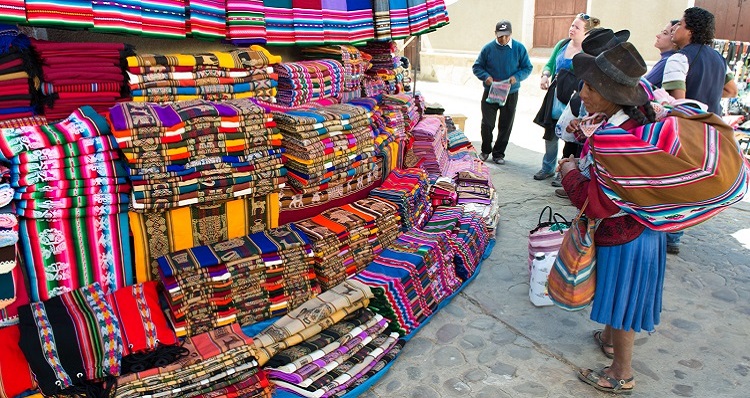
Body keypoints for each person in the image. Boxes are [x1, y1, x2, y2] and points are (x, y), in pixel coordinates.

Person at [557, 42, 664, 395]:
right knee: (624, 296)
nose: (582, 92)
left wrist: (570, 170)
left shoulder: (614, 141)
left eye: (589, 87)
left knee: (623, 299)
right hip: (646, 230)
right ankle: (608, 339)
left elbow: (597, 203)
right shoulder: (635, 120)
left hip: (626, 235)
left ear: (608, 93)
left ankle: (622, 372)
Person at [661, 7, 739, 254]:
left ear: (690, 30)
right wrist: (709, 93)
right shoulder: (718, 58)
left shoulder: (679, 58)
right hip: (713, 131)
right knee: (689, 182)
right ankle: (676, 233)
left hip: (687, 130)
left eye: (680, 25)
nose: (675, 29)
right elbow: (732, 91)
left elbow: (679, 101)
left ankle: (670, 233)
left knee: (673, 181)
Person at [533, 13, 600, 182]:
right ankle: (547, 168)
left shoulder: (589, 51)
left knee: (570, 137)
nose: (572, 29)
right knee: (550, 132)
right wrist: (545, 75)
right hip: (555, 95)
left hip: (574, 99)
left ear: (586, 32)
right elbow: (550, 64)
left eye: (577, 27)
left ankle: (563, 172)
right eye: (572, 25)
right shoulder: (562, 44)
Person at [472, 20, 533, 164]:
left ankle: (499, 154)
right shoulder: (488, 48)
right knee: (487, 123)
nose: (503, 39)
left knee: (506, 124)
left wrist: (516, 78)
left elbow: (527, 68)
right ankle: (486, 150)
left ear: (511, 34)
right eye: (500, 36)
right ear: (495, 34)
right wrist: (486, 77)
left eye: (506, 36)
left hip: (510, 93)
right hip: (490, 91)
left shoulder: (519, 48)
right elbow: (477, 67)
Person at [644, 20, 679, 87]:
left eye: (665, 33)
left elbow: (643, 85)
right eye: (661, 32)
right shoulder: (667, 59)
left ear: (675, 39)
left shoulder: (667, 61)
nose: (658, 36)